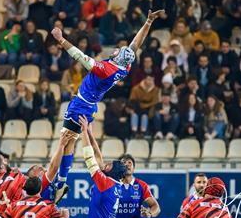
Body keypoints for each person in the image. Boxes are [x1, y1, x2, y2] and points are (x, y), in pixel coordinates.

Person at [48, 10, 161, 199]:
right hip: (88, 105)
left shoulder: (106, 69)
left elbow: (79, 56)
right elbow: (136, 45)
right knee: (69, 142)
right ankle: (61, 181)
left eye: (118, 50)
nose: (116, 49)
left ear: (118, 56)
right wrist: (148, 22)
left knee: (65, 142)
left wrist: (60, 39)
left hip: (80, 106)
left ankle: (60, 182)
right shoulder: (124, 66)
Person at [80, 115, 127, 218]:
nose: (105, 164)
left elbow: (89, 157)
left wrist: (83, 131)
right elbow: (98, 154)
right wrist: (90, 133)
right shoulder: (114, 184)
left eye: (109, 164)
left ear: (113, 170)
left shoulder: (106, 183)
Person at [114, 154, 161, 218]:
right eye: (124, 163)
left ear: (134, 168)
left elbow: (156, 207)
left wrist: (149, 213)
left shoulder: (141, 185)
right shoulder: (113, 185)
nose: (127, 165)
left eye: (130, 163)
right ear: (119, 167)